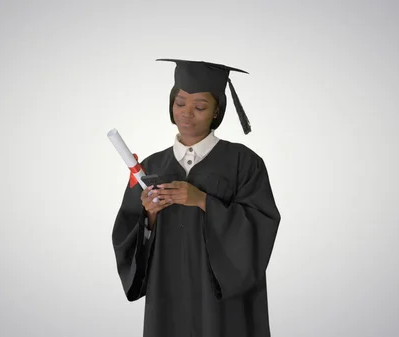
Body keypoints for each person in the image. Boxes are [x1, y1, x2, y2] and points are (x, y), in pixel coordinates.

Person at [111, 58, 281, 337]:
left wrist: (203, 200)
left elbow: (260, 226)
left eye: (200, 106)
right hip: (168, 291)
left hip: (222, 300)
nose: (187, 113)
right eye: (180, 104)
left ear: (216, 111)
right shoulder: (152, 167)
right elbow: (127, 237)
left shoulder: (244, 162)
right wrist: (150, 216)